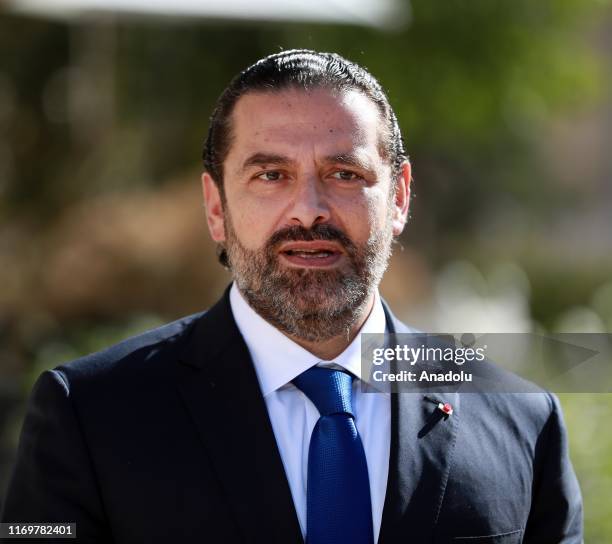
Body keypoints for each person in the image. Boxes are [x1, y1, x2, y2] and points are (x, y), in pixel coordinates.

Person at [1, 50, 582, 543]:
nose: (309, 210)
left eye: (344, 174)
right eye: (270, 175)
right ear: (215, 207)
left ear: (400, 198)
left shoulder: (520, 417)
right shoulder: (91, 415)